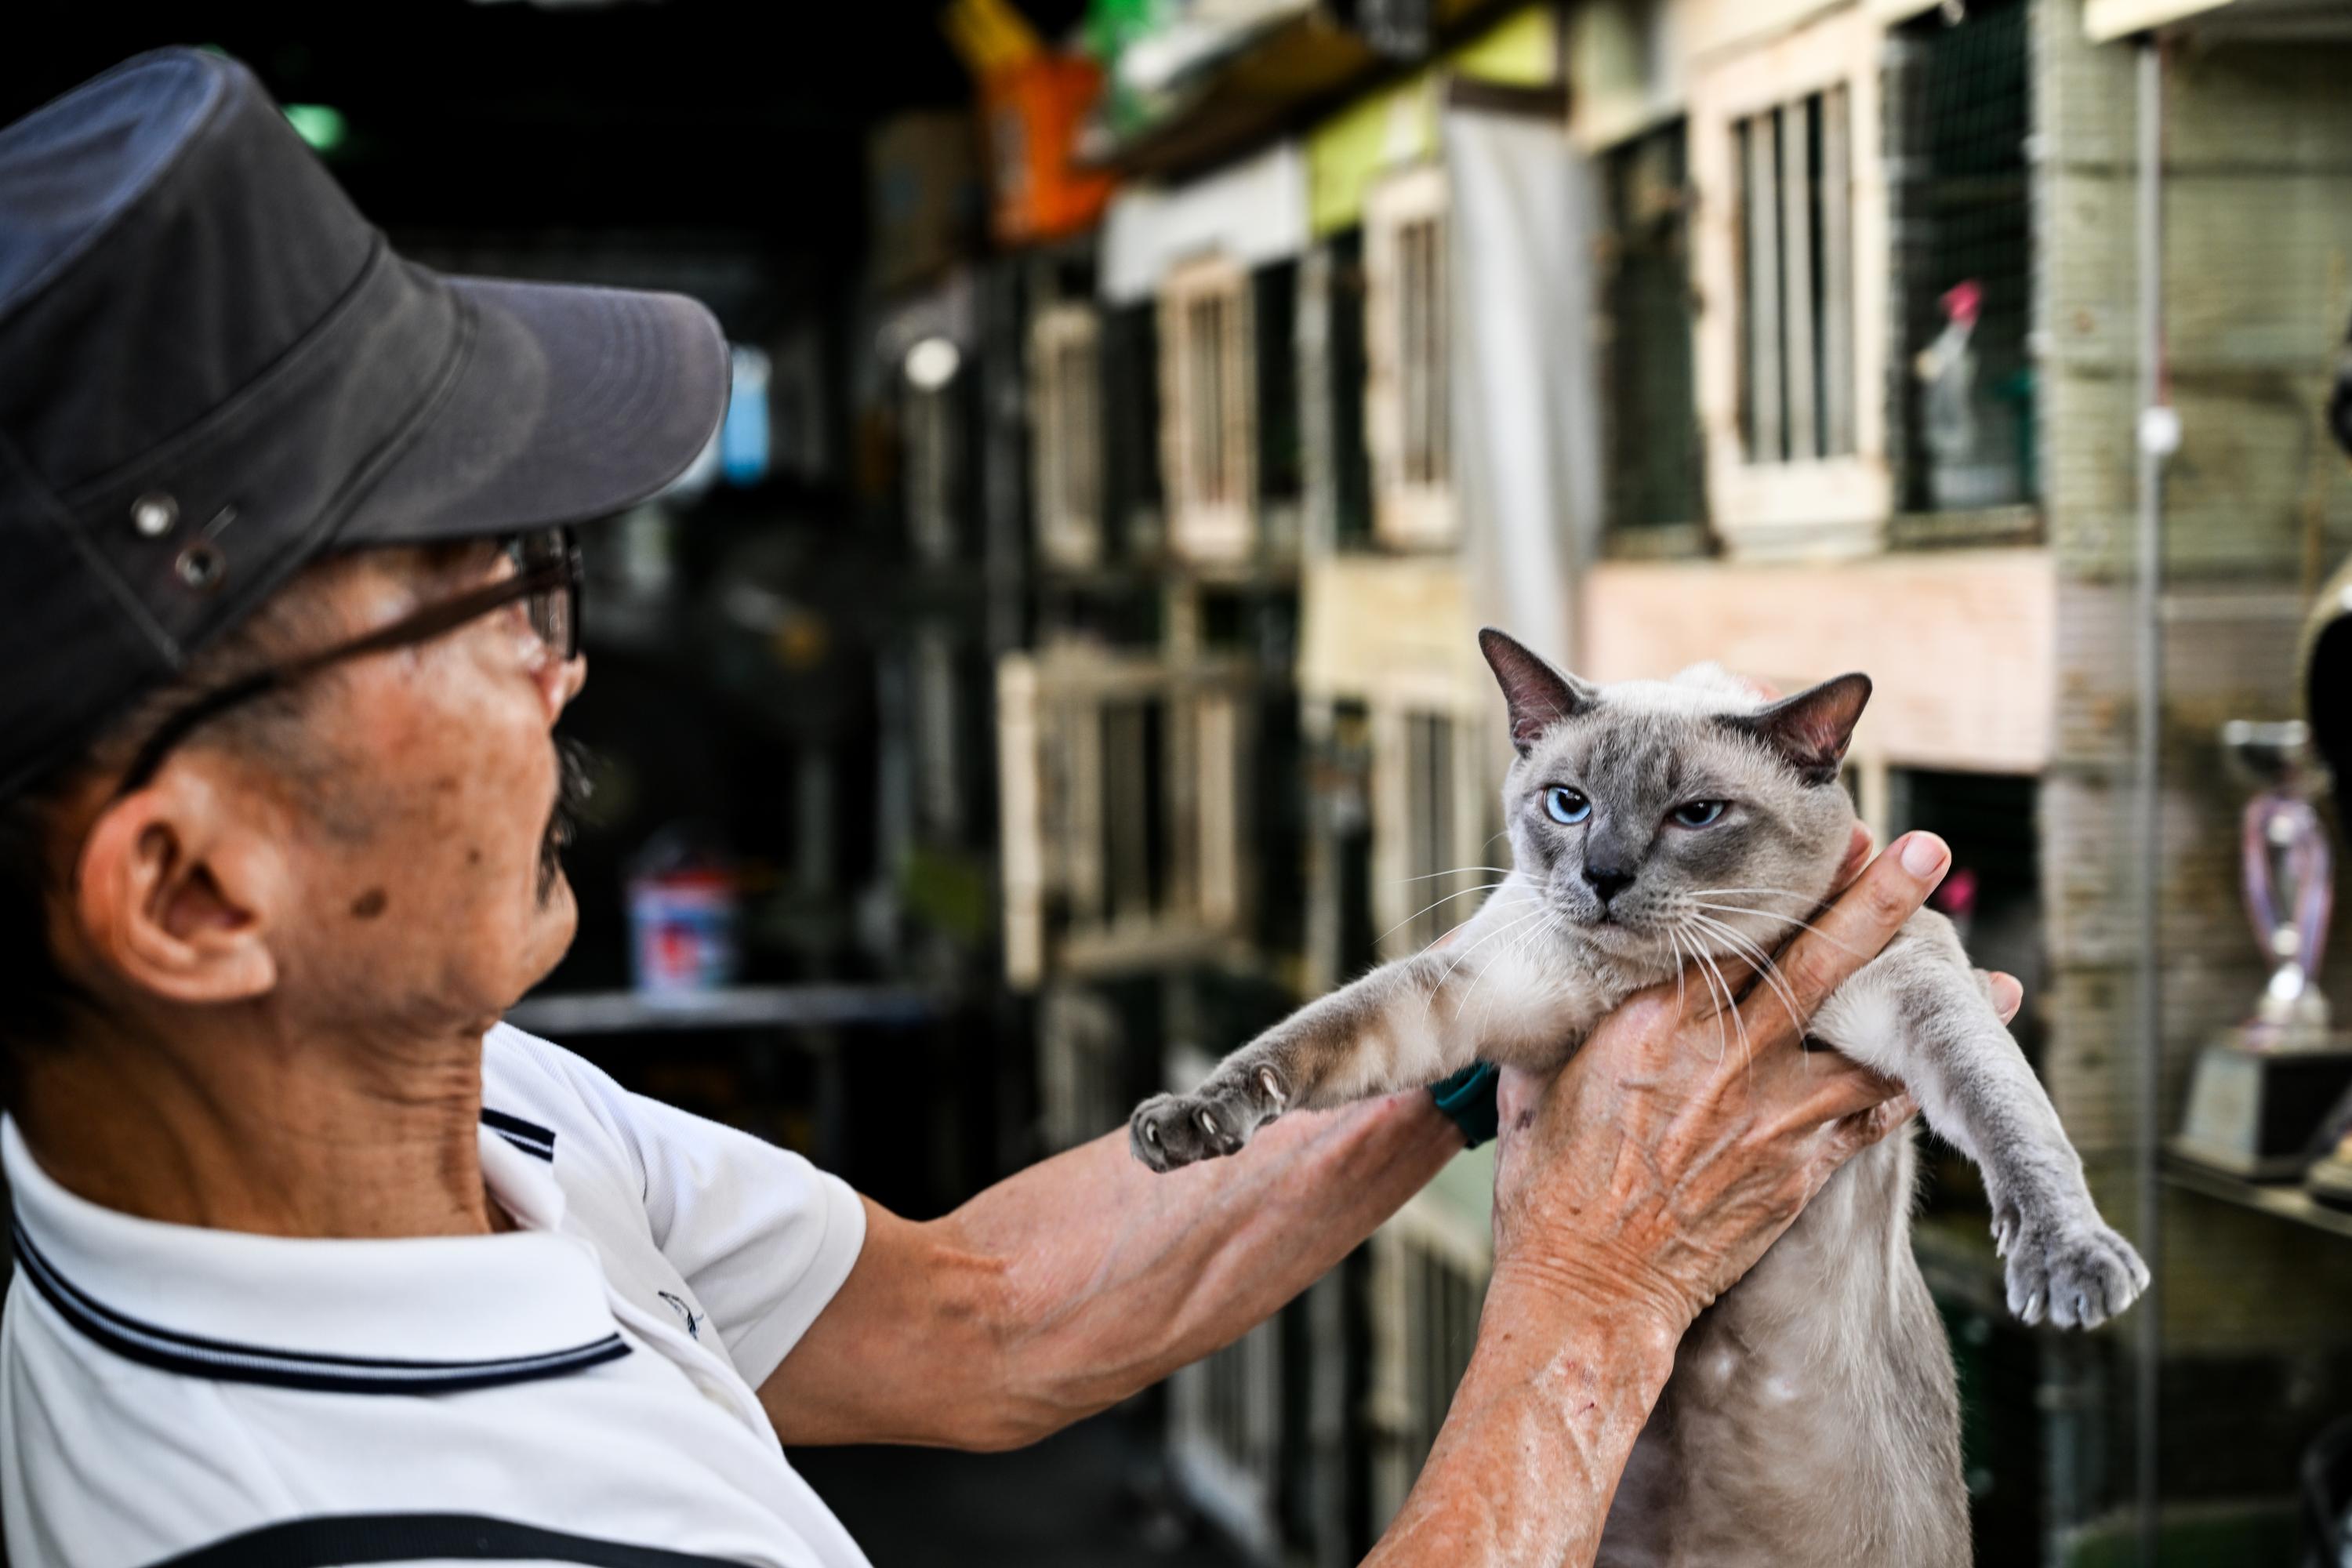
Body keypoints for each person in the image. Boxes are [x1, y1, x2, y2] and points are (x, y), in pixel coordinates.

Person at [0, 49, 2014, 1568]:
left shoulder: (471, 1117)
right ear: (188, 891)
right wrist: (1597, 1291)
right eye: (489, 599)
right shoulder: (389, 1530)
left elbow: (981, 1314)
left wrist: (1506, 1040)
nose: (571, 661)